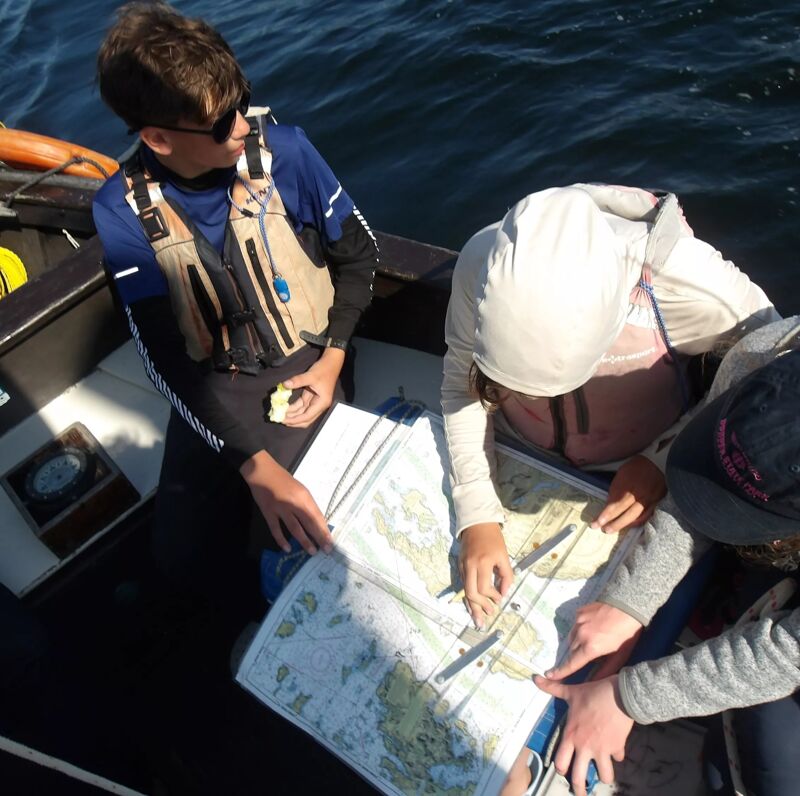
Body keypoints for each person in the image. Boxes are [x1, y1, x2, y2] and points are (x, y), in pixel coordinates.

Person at [92, 2, 378, 594]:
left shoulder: (289, 153)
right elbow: (164, 359)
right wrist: (253, 462)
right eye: (223, 123)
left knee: (290, 548)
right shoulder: (119, 212)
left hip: (310, 365)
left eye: (242, 101)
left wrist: (332, 363)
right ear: (157, 139)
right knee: (180, 560)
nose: (244, 125)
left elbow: (360, 256)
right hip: (211, 385)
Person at [441, 184, 780, 627]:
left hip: (643, 469)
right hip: (515, 450)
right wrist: (476, 513)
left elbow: (768, 385)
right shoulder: (482, 262)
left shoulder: (701, 289)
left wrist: (662, 459)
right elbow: (458, 387)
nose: (530, 401)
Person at [507, 315, 800, 796]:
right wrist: (628, 603)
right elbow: (700, 488)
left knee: (775, 762)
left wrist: (626, 698)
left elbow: (787, 654)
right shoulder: (764, 354)